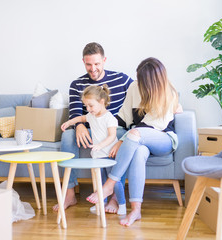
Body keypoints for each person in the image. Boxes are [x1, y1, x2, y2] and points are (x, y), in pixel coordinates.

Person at [86, 57, 182, 226]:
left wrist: (122, 141)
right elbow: (124, 118)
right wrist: (98, 121)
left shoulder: (168, 92)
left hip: (163, 139)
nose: (139, 83)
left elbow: (149, 127)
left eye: (143, 81)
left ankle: (110, 184)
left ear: (153, 81)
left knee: (136, 133)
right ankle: (136, 210)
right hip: (138, 142)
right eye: (139, 78)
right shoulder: (134, 87)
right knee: (138, 152)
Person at [56, 42, 133, 211]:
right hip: (91, 126)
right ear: (83, 62)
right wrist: (79, 126)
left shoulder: (121, 79)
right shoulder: (77, 84)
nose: (93, 69)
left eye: (97, 64)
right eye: (89, 64)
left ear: (104, 60)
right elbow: (76, 113)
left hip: (115, 128)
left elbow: (143, 92)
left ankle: (114, 197)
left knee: (123, 137)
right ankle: (69, 194)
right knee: (68, 136)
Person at [60, 84, 127, 215]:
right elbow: (81, 118)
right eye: (86, 106)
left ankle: (122, 204)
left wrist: (100, 146)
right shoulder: (91, 116)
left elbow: (112, 136)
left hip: (109, 155)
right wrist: (69, 123)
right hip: (97, 156)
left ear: (102, 102)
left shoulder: (110, 118)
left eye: (90, 105)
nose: (88, 109)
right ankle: (101, 203)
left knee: (115, 181)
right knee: (99, 181)